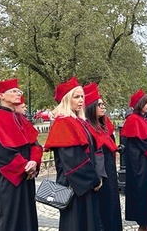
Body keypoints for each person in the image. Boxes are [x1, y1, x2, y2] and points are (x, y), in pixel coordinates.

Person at [0, 78, 43, 231]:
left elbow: (35, 144)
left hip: (26, 178)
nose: (18, 94)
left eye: (19, 91)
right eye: (14, 91)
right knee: (9, 221)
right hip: (8, 180)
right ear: (1, 95)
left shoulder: (21, 118)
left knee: (28, 218)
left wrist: (34, 161)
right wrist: (24, 166)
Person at [44, 77, 103, 231]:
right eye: (76, 97)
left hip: (83, 184)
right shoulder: (63, 123)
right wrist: (93, 180)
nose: (81, 100)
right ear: (67, 100)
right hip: (75, 185)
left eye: (82, 96)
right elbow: (73, 159)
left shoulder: (78, 121)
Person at [83, 83, 123, 231]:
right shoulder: (87, 127)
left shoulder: (103, 126)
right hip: (100, 173)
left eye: (103, 104)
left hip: (109, 169)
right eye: (99, 104)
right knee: (103, 206)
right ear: (91, 107)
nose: (103, 107)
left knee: (112, 203)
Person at [120, 89, 147, 231]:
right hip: (140, 165)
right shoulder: (133, 120)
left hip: (146, 162)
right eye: (146, 102)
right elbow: (145, 144)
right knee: (142, 194)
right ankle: (143, 225)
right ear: (139, 104)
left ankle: (146, 223)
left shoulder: (142, 118)